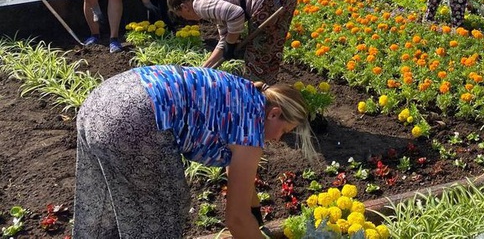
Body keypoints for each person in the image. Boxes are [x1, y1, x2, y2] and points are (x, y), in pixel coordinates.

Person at [73, 65, 315, 238]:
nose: (277, 139)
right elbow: (236, 220)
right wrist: (251, 228)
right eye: (284, 131)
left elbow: (240, 179)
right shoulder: (251, 130)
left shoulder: (248, 94)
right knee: (164, 210)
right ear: (274, 114)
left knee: (100, 202)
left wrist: (257, 220)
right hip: (136, 117)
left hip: (104, 99)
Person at [167, 0, 297, 84]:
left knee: (257, 58)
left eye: (181, 15)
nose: (185, 19)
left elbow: (236, 15)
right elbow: (224, 40)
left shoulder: (199, 5)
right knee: (270, 48)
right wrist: (203, 70)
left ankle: (260, 96)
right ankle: (271, 91)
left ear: (184, 7)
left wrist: (230, 44)